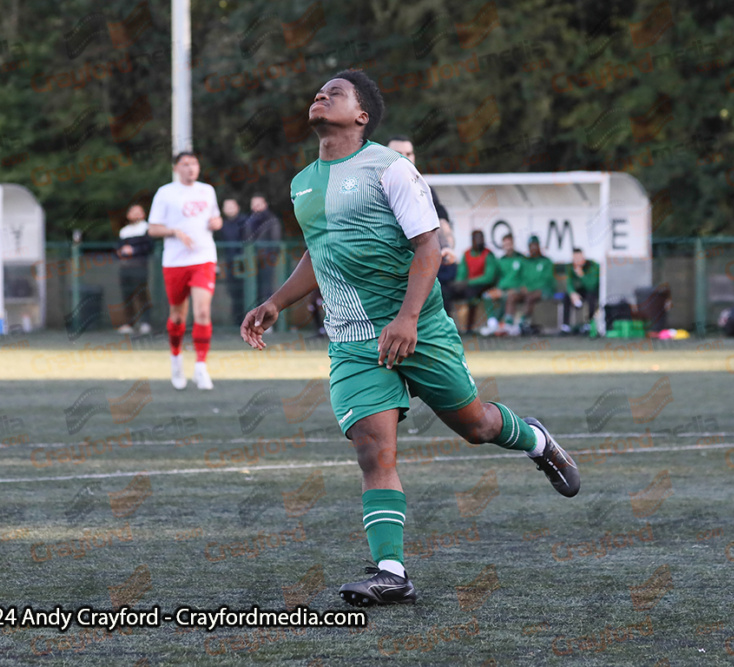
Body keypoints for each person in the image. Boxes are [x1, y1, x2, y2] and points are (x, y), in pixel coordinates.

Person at [240, 69, 580, 608]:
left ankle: (535, 439)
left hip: (417, 327)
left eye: (337, 92)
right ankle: (391, 573)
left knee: (477, 425)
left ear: (361, 116)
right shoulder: (302, 182)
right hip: (352, 339)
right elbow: (317, 252)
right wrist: (275, 303)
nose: (321, 95)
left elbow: (429, 249)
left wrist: (408, 318)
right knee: (374, 450)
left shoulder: (390, 168)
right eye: (320, 90)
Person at [147, 151, 222, 390]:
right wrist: (174, 231)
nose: (191, 168)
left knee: (202, 311)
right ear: (176, 168)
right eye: (186, 164)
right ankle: (176, 357)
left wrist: (216, 223)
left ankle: (201, 366)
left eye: (195, 163)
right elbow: (153, 229)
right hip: (175, 262)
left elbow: (217, 218)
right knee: (178, 315)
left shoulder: (207, 190)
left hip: (204, 258)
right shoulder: (165, 193)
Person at [386, 135, 458, 313]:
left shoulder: (422, 188)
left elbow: (439, 219)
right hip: (383, 266)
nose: (405, 158)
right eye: (398, 153)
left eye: (409, 153)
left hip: (416, 266)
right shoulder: (372, 186)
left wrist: (446, 246)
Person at [115, 204, 154, 335]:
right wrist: (121, 253)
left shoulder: (146, 228)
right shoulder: (124, 231)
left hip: (140, 266)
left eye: (139, 212)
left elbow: (149, 247)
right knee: (127, 295)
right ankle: (128, 323)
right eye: (132, 211)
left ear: (143, 214)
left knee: (141, 294)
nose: (135, 214)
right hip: (125, 267)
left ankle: (145, 323)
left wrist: (134, 250)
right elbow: (118, 249)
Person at [479, 232, 526, 336]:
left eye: (509, 244)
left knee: (508, 297)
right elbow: (496, 278)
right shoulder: (500, 260)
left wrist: (518, 288)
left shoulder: (521, 259)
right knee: (487, 296)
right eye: (505, 245)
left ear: (513, 244)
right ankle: (492, 324)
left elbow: (525, 278)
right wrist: (498, 288)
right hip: (502, 289)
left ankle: (505, 325)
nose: (507, 247)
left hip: (515, 290)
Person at [452, 230, 498, 334]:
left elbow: (488, 278)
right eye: (477, 238)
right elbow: (461, 274)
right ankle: (450, 327)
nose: (480, 241)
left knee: (471, 295)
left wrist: (468, 282)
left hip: (484, 286)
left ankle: (469, 327)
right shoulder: (467, 254)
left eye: (481, 238)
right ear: (472, 240)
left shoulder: (488, 254)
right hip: (469, 286)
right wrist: (459, 283)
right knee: (447, 292)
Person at [243, 194, 282, 305]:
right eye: (254, 204)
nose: (256, 207)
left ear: (265, 204)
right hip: (252, 261)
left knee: (266, 288)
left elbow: (275, 240)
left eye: (258, 204)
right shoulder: (249, 220)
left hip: (266, 261)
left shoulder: (272, 220)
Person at [219, 198, 249, 326]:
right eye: (227, 206)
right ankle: (237, 322)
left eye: (232, 206)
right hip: (229, 264)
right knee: (234, 293)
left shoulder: (245, 222)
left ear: (237, 207)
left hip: (245, 265)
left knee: (247, 292)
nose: (229, 209)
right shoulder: (222, 225)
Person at [519, 235, 557, 334]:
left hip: (545, 291)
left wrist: (531, 288)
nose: (533, 248)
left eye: (535, 245)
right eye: (531, 246)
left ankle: (524, 323)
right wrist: (523, 286)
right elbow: (522, 278)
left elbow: (547, 280)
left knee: (530, 297)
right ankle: (508, 324)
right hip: (530, 291)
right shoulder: (526, 262)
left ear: (539, 246)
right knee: (512, 295)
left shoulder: (546, 261)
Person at [561, 248, 600, 334]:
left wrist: (582, 275)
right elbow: (569, 282)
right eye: (575, 259)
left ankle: (589, 324)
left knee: (591, 297)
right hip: (580, 291)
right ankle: (565, 326)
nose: (577, 261)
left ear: (583, 257)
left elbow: (591, 285)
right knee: (566, 297)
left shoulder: (592, 266)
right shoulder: (570, 267)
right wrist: (572, 293)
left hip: (592, 290)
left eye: (579, 258)